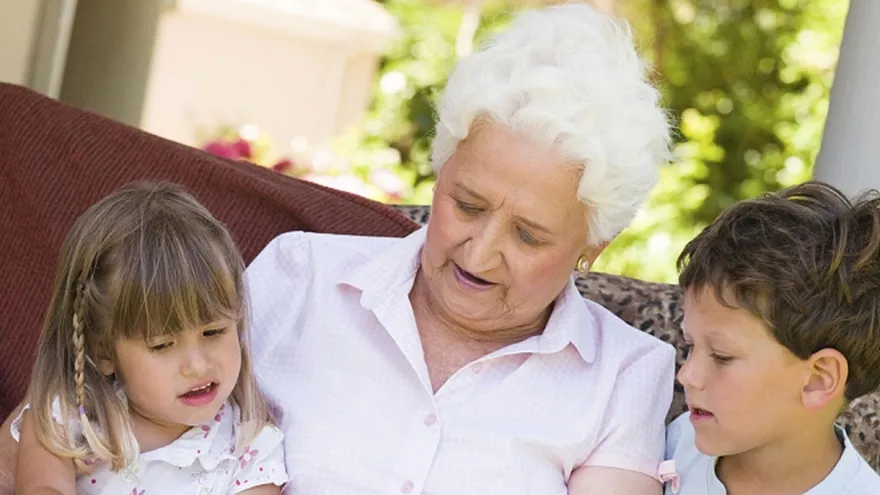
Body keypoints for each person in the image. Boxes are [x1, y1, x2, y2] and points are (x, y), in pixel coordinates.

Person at [242, 3, 674, 494]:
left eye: (528, 235)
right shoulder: (302, 276)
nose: (481, 252)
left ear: (593, 247)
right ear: (440, 171)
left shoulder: (624, 372)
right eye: (468, 205)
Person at [12, 182, 287, 494]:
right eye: (162, 345)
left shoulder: (248, 450)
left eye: (213, 331)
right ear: (103, 350)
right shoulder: (66, 420)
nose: (197, 366)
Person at [664, 182, 880, 494]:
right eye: (690, 345)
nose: (687, 375)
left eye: (722, 356)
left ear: (816, 381)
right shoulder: (677, 444)